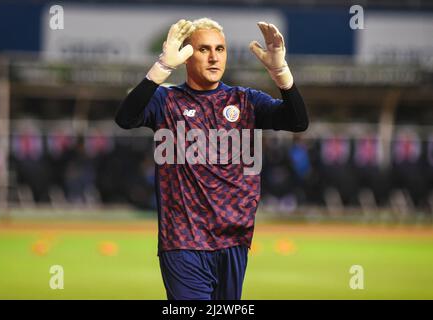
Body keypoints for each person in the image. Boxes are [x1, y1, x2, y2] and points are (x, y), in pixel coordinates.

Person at [115, 18, 308, 300]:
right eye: (204, 49)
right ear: (187, 55)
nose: (214, 56)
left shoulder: (245, 101)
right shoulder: (166, 101)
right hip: (183, 240)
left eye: (221, 49)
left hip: (234, 239)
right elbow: (125, 118)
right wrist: (161, 68)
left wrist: (281, 73)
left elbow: (298, 121)